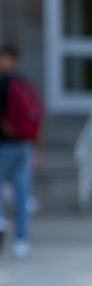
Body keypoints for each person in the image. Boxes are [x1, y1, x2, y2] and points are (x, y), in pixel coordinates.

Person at [0, 43, 43, 258]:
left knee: (17, 193)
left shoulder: (4, 83)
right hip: (24, 145)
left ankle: (3, 225)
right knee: (22, 193)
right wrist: (36, 149)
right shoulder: (25, 83)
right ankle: (21, 240)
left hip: (6, 145)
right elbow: (38, 118)